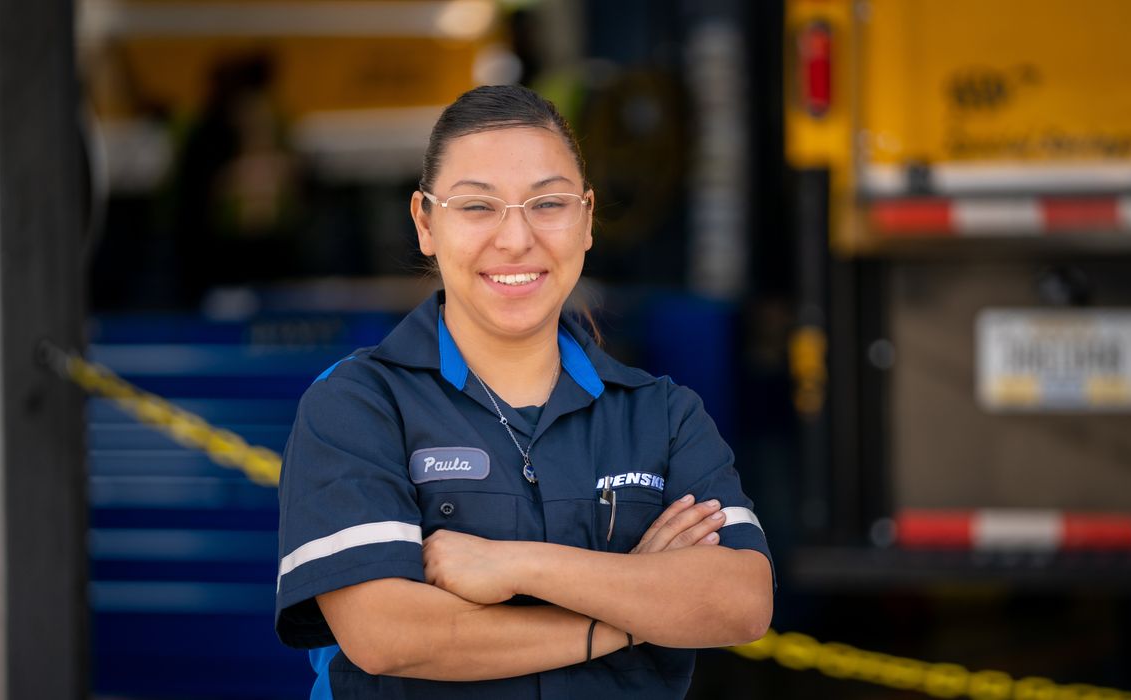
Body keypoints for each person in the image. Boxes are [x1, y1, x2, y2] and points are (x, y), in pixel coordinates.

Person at [275, 85, 773, 699]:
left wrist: (512, 565)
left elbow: (740, 602)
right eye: (477, 207)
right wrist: (632, 608)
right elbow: (387, 634)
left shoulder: (662, 415)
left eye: (548, 203)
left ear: (587, 220)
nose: (515, 241)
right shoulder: (357, 404)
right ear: (425, 222)